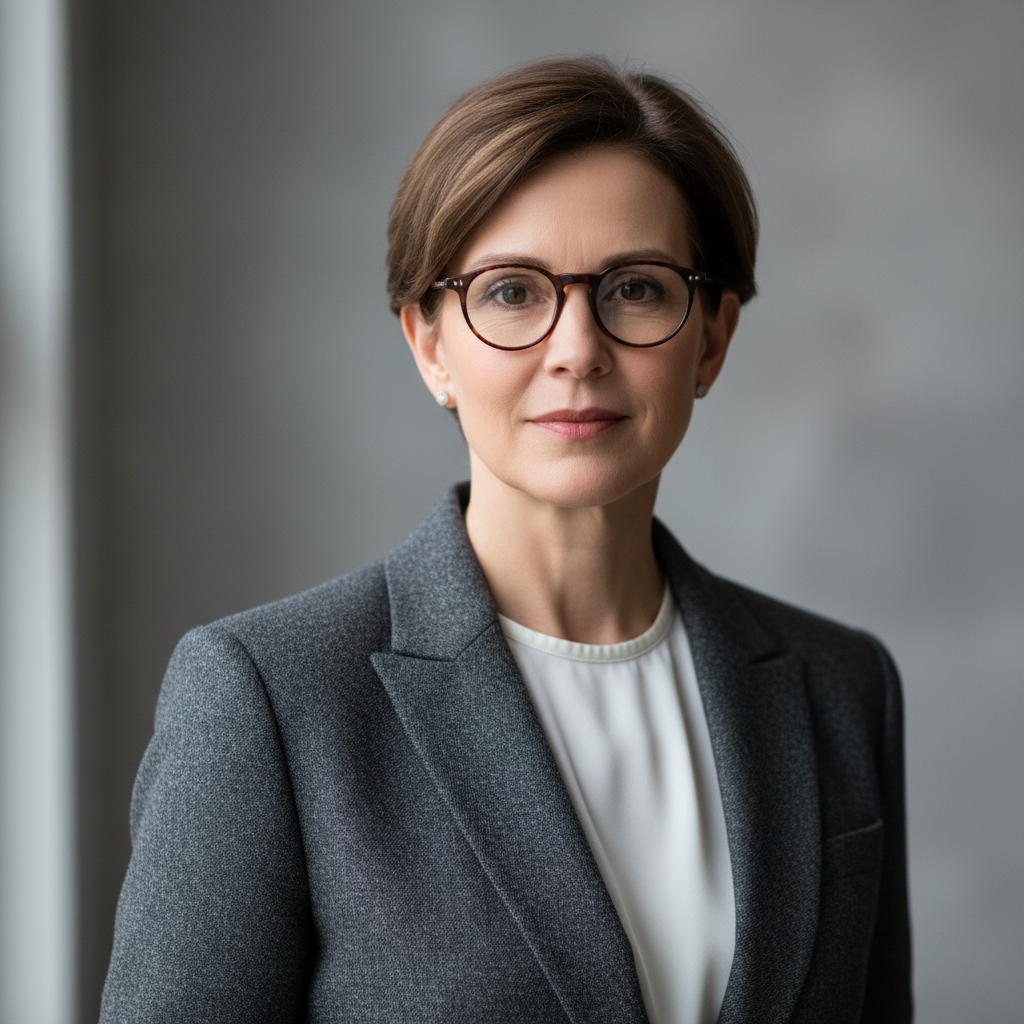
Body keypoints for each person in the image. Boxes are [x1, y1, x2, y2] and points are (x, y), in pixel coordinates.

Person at [99, 57, 912, 1024]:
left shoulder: (840, 687)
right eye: (514, 292)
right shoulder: (269, 698)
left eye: (638, 289)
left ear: (713, 340)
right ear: (430, 345)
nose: (577, 348)